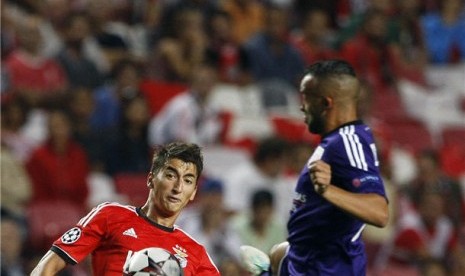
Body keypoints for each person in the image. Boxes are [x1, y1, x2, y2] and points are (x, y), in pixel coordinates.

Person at [241, 59, 389, 275]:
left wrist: (328, 191)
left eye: (306, 98)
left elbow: (379, 212)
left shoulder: (348, 142)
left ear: (325, 103)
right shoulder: (332, 144)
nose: (301, 106)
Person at [30, 142, 220, 275]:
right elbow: (47, 267)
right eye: (171, 176)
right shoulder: (111, 216)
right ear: (151, 179)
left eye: (187, 181)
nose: (178, 188)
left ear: (194, 192)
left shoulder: (197, 254)